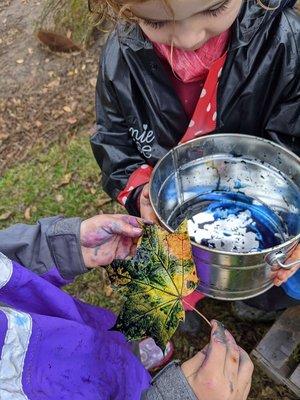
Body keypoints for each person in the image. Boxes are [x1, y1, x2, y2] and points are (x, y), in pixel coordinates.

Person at [90, 0, 300, 323]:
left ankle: (260, 302)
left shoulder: (285, 44)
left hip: (263, 226)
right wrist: (139, 189)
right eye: (156, 22)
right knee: (169, 277)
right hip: (175, 220)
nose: (187, 39)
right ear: (123, 10)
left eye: (214, 9)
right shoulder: (122, 59)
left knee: (275, 283)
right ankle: (179, 307)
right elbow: (113, 140)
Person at [0, 214, 253, 399]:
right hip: (59, 386)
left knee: (113, 348)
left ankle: (130, 364)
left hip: (62, 331)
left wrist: (67, 247)